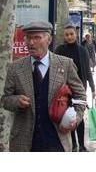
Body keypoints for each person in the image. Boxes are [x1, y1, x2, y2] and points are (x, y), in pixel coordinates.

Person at [1, 21, 86, 152]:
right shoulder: (15, 68)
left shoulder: (65, 64)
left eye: (37, 38)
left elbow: (80, 96)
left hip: (57, 142)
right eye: (28, 38)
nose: (31, 42)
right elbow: (5, 100)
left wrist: (75, 119)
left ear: (49, 40)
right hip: (24, 144)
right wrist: (16, 101)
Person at [55, 24, 96, 152]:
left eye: (71, 34)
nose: (69, 37)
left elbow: (87, 71)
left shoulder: (82, 50)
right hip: (65, 91)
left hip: (79, 90)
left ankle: (82, 145)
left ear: (76, 34)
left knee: (80, 118)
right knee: (68, 117)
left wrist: (93, 88)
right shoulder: (59, 50)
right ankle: (73, 145)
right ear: (64, 36)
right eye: (67, 35)